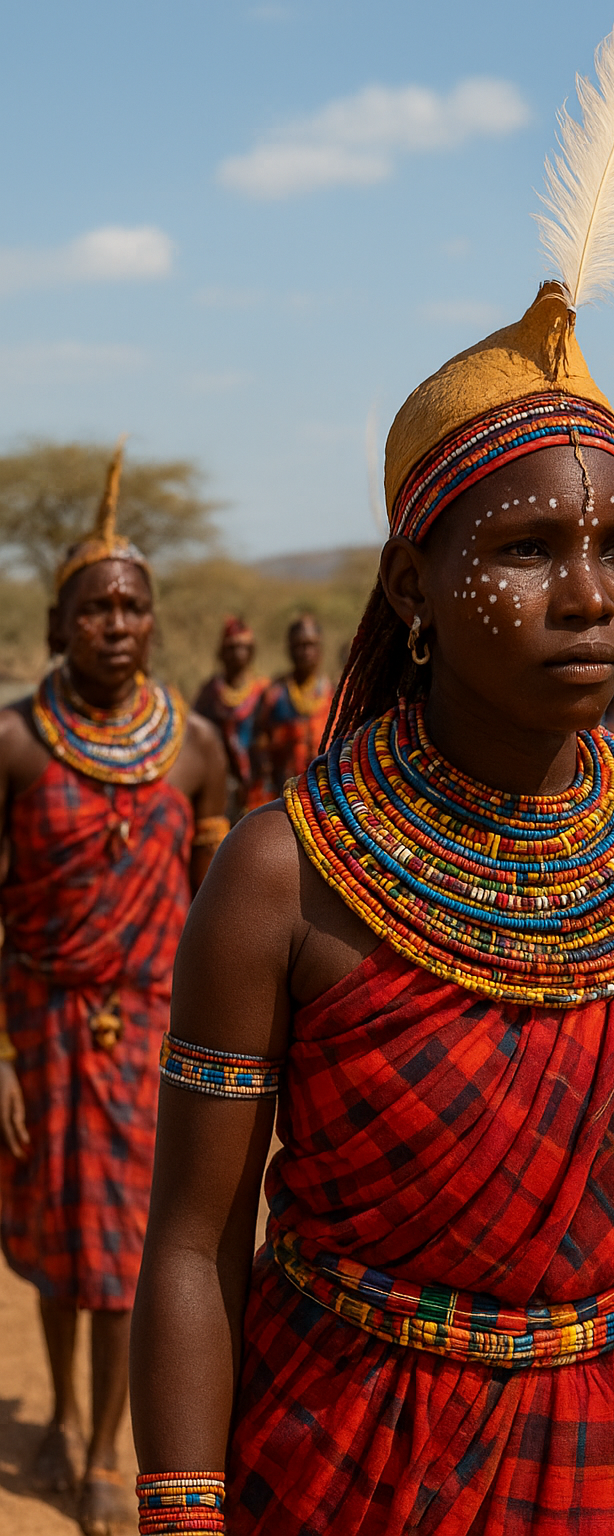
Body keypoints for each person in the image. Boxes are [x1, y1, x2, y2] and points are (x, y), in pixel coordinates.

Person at [130, 23, 614, 1536]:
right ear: (414, 588)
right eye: (523, 549)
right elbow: (188, 1247)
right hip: (351, 1462)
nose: (589, 593)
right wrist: (180, 1514)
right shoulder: (282, 874)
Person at [0, 445, 227, 1535]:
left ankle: (101, 1448)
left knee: (135, 1252)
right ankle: (54, 1416)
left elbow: (216, 923)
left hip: (148, 1031)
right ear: (58, 626)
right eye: (94, 608)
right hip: (39, 1025)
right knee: (54, 1244)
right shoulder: (12, 745)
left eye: (134, 605)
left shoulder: (196, 753)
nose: (118, 624)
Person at [194, 618, 269, 822]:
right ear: (222, 652)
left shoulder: (264, 691)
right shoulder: (209, 694)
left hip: (259, 787)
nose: (238, 653)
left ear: (252, 652)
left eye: (244, 647)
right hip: (221, 787)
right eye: (232, 647)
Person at [251, 614, 332, 798]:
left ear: (320, 649)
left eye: (310, 644)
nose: (305, 651)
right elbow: (258, 743)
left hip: (327, 793)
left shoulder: (335, 695)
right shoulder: (274, 694)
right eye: (299, 645)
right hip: (283, 794)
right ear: (289, 649)